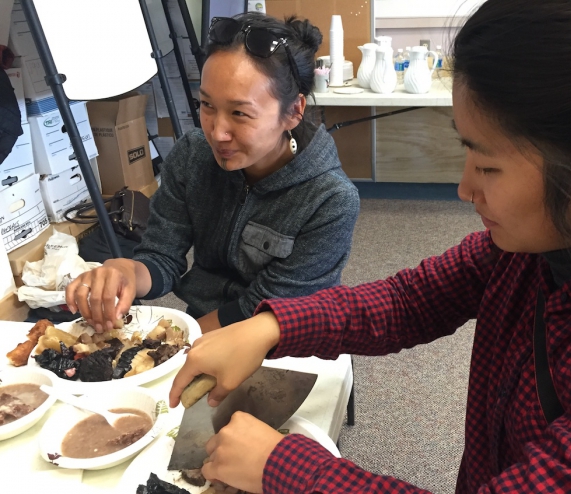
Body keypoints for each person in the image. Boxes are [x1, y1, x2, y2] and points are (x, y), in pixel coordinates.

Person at [169, 0, 571, 494]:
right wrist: (269, 327)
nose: (465, 188)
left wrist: (282, 468)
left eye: (488, 167)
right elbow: (409, 300)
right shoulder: (543, 246)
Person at [65, 13, 359, 334]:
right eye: (206, 105)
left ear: (293, 112)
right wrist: (126, 272)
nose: (217, 132)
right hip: (205, 323)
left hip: (283, 336)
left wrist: (177, 343)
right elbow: (163, 256)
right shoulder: (193, 155)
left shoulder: (330, 199)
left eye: (239, 113)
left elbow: (269, 306)